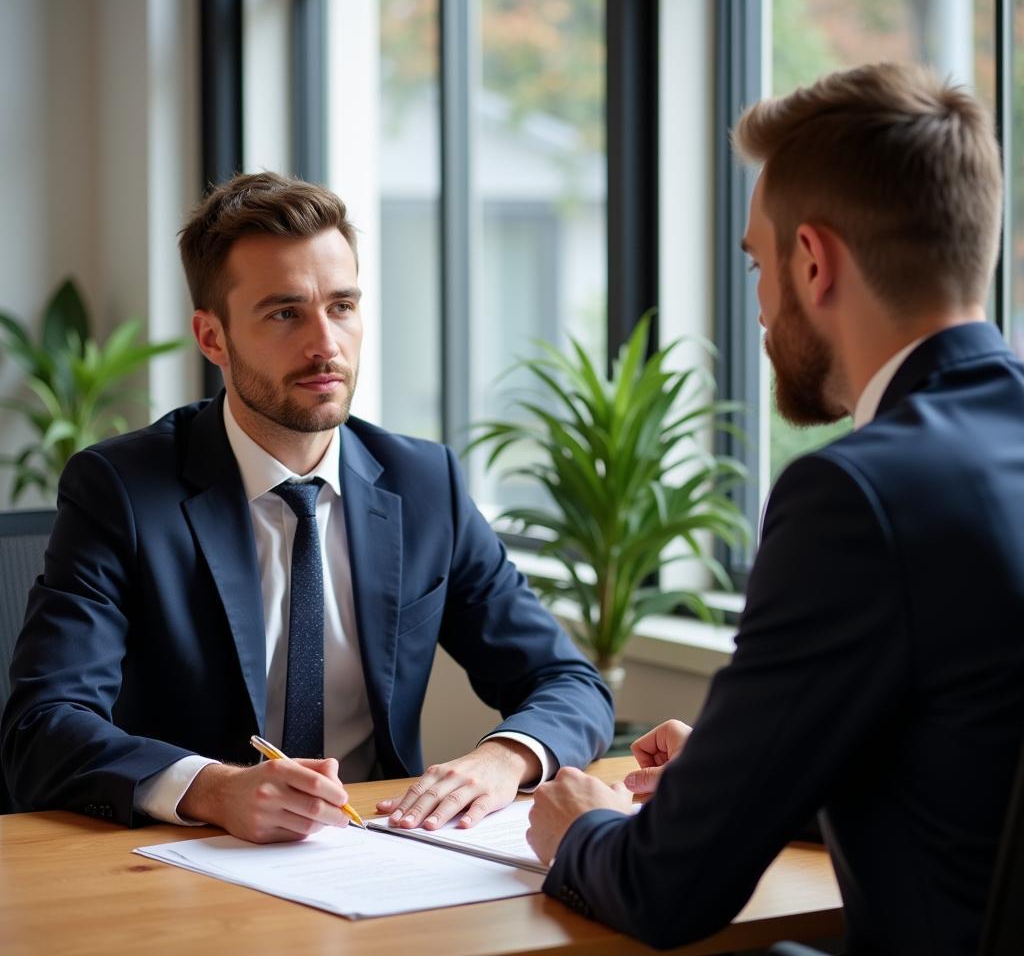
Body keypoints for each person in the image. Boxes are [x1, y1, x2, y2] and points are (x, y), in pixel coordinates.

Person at [526, 62, 1024, 955]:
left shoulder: (857, 496)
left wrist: (579, 829)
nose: (760, 304)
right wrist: (744, 771)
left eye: (759, 262)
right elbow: (975, 777)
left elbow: (668, 890)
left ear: (813, 260)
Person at [1, 171, 613, 843]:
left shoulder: (422, 483)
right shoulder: (121, 488)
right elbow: (44, 724)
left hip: (383, 849)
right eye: (285, 313)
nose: (327, 345)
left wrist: (505, 758)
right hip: (188, 858)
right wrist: (216, 790)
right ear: (212, 338)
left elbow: (565, 680)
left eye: (343, 307)